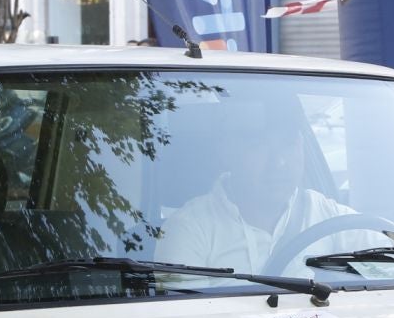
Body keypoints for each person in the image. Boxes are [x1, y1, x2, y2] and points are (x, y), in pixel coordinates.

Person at [156, 107, 380, 273]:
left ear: (301, 146)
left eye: (288, 144)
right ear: (227, 152)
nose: (279, 163)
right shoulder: (189, 230)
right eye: (259, 146)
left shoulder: (328, 217)